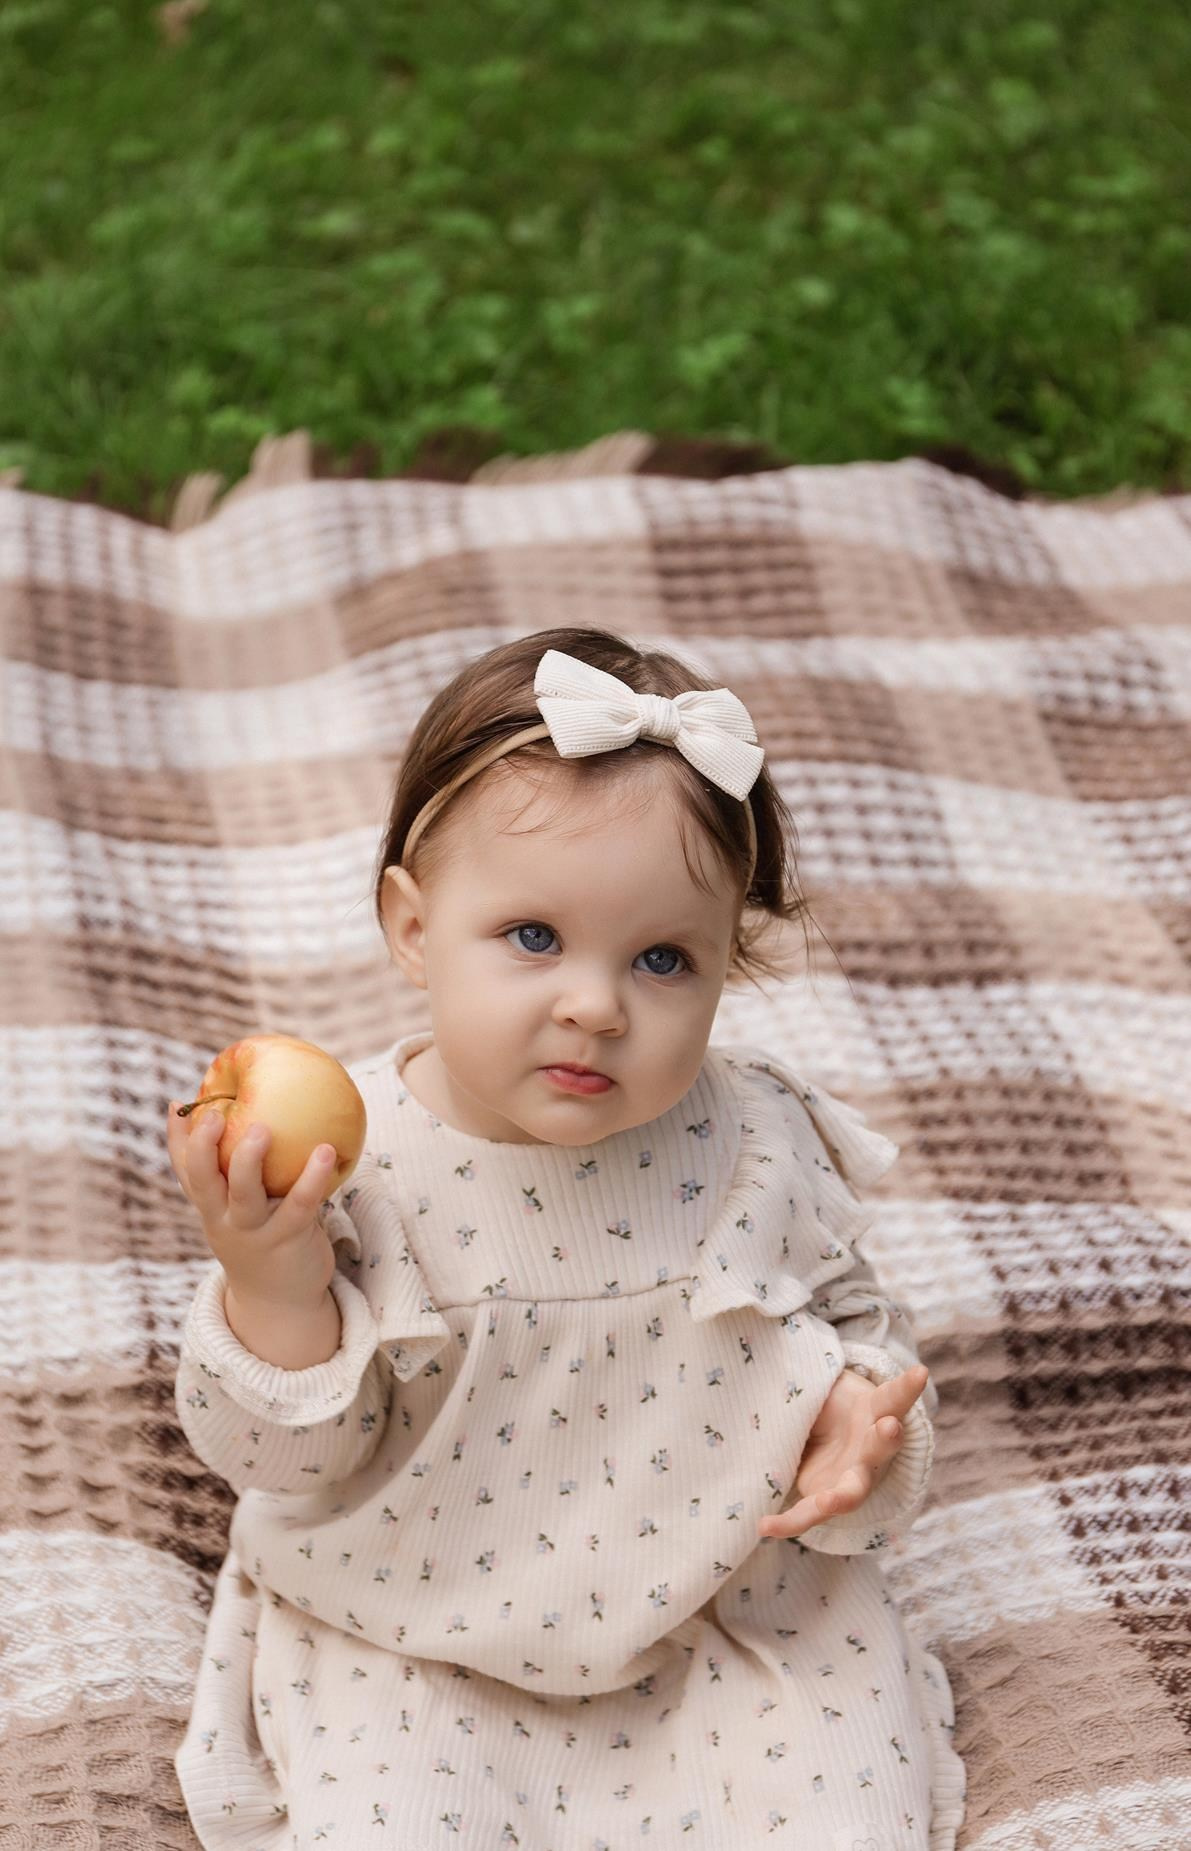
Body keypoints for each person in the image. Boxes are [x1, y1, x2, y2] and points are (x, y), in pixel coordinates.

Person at [168, 627, 967, 1851]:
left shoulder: (755, 1141)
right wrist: (272, 1279)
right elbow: (283, 1460)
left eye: (663, 959)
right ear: (413, 929)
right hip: (417, 1629)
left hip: (722, 1618)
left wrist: (856, 1415)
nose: (595, 1006)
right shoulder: (352, 1170)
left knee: (844, 1814)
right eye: (534, 937)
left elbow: (856, 1319)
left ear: (726, 965)